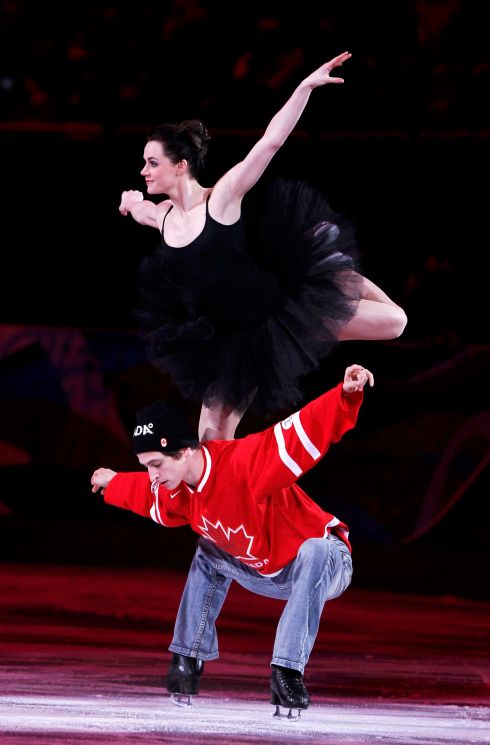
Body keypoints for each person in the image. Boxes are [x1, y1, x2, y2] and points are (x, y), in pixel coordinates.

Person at [119, 51, 405, 441]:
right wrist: (131, 203)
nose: (144, 170)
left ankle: (340, 277)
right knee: (211, 443)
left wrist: (304, 87)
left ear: (181, 165)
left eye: (152, 163)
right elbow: (141, 211)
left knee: (396, 322)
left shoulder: (220, 199)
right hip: (233, 342)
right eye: (144, 163)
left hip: (280, 313)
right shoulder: (164, 219)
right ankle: (215, 503)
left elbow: (269, 142)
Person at [91, 362, 374, 718]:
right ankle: (187, 660)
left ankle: (287, 672)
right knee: (208, 551)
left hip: (324, 564)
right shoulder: (177, 491)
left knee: (316, 548)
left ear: (186, 451)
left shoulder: (243, 464)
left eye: (157, 464)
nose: (152, 475)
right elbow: (146, 495)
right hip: (266, 570)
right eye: (146, 465)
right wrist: (113, 481)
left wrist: (345, 395)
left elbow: (302, 433)